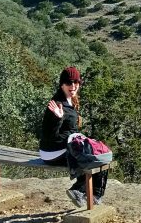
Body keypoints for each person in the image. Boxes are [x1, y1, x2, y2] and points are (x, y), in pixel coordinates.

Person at [39, 66, 108, 207]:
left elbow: (70, 132)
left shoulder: (70, 100)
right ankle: (78, 190)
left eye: (76, 82)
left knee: (101, 155)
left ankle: (95, 196)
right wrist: (57, 119)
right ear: (62, 84)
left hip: (62, 148)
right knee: (94, 158)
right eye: (69, 83)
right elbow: (49, 136)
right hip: (52, 152)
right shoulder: (57, 104)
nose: (73, 86)